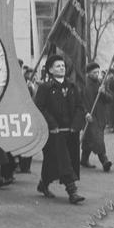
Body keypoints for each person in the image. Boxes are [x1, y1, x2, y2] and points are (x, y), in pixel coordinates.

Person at [33, 54, 85, 204]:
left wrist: (76, 125)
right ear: (50, 70)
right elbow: (40, 108)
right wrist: (52, 125)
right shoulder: (45, 88)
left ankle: (44, 183)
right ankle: (72, 191)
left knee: (52, 162)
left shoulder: (72, 86)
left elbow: (80, 107)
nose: (61, 68)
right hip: (54, 132)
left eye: (63, 66)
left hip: (70, 131)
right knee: (64, 160)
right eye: (57, 66)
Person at [81, 62, 113, 172]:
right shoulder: (82, 84)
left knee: (89, 139)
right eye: (94, 72)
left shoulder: (100, 83)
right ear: (88, 73)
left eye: (98, 72)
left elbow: (110, 99)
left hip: (101, 117)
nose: (97, 74)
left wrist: (103, 92)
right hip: (89, 117)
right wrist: (85, 113)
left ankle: (84, 159)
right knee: (97, 138)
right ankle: (104, 160)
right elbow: (79, 102)